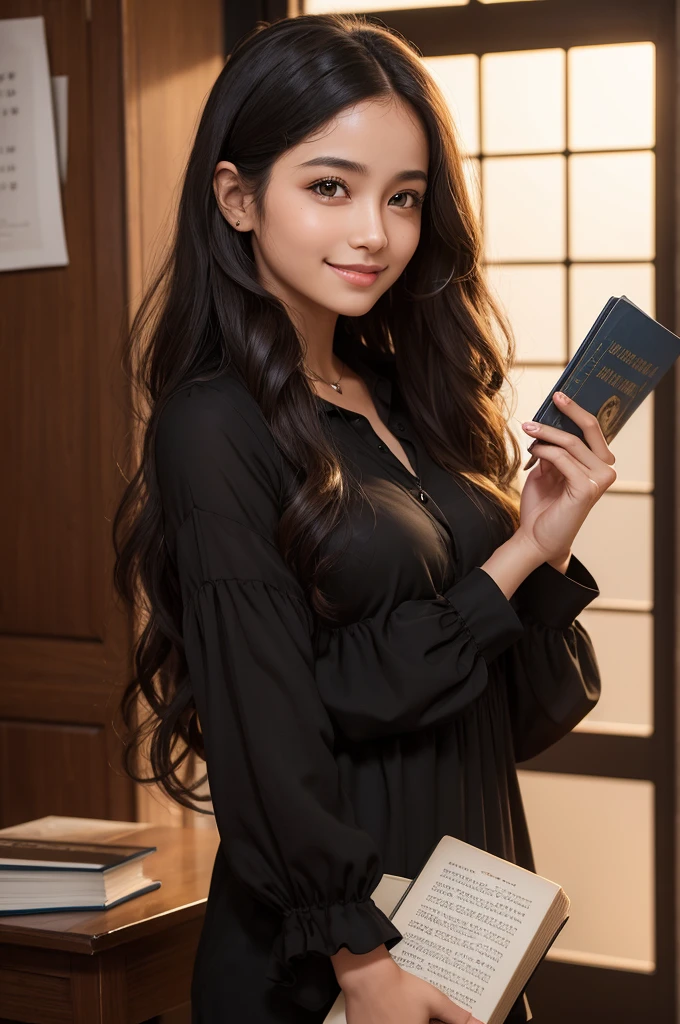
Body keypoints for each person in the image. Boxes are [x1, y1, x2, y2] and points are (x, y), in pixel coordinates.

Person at [112, 13, 613, 1024]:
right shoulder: (214, 424)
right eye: (328, 187)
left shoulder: (401, 395)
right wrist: (360, 960)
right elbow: (269, 722)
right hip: (335, 962)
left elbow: (501, 716)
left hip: (462, 930)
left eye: (404, 198)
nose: (372, 232)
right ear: (236, 195)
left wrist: (535, 546)